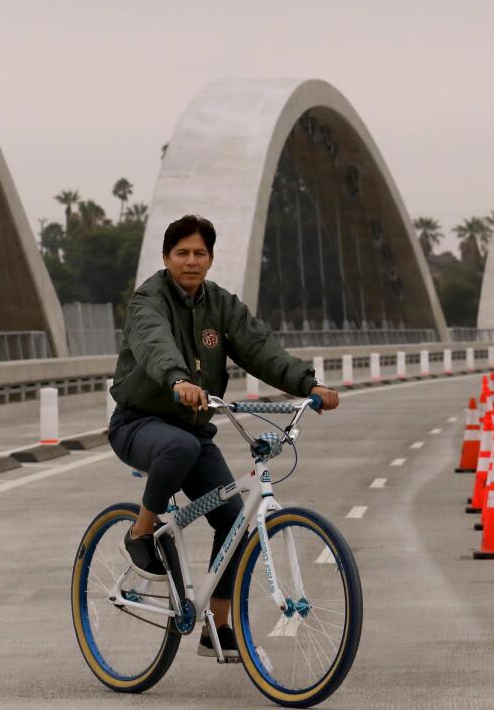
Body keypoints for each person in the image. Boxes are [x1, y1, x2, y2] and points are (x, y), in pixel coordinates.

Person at [108, 213, 339, 660]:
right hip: (138, 423)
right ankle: (140, 533)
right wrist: (178, 380)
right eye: (182, 253)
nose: (191, 261)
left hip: (193, 426)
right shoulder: (146, 301)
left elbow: (260, 348)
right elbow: (156, 344)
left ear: (211, 259)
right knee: (181, 446)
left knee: (234, 520)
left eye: (199, 253)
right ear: (166, 257)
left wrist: (309, 386)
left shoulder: (220, 305)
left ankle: (217, 625)